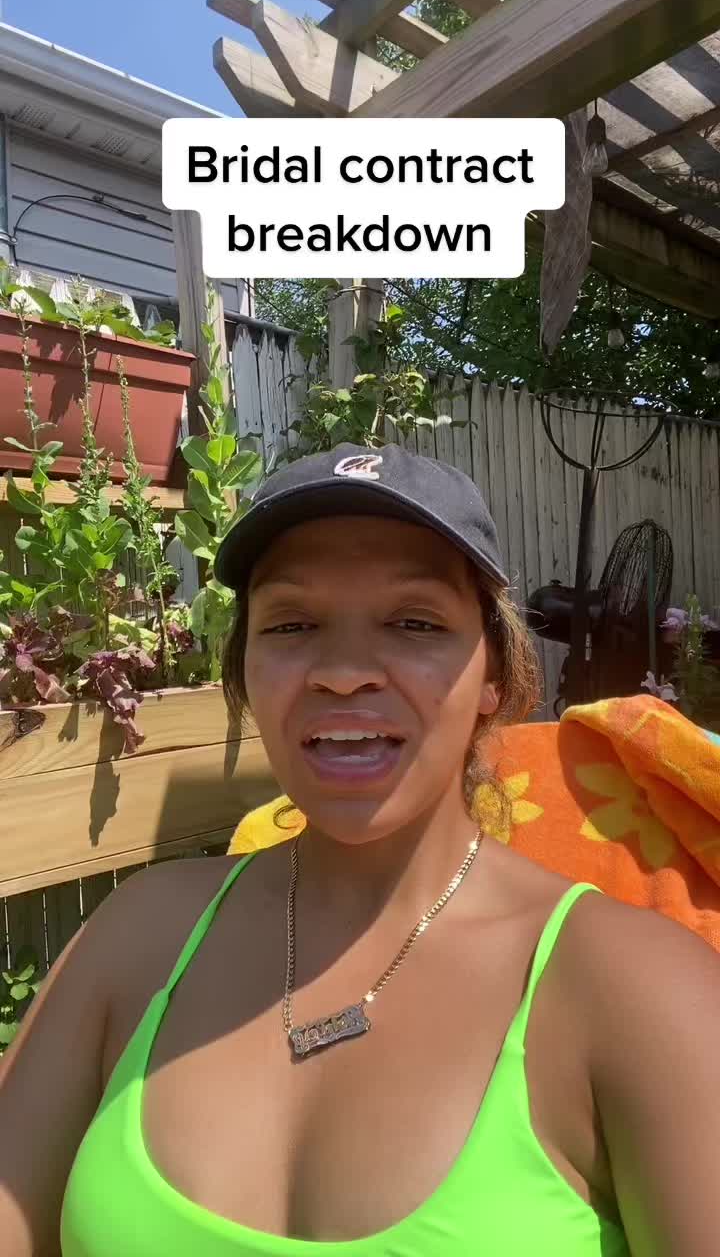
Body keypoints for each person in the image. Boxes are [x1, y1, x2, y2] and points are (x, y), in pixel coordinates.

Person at [2, 442, 720, 1257]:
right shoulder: (136, 939)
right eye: (293, 624)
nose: (343, 673)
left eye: (414, 623)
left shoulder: (638, 992)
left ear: (493, 676)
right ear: (245, 670)